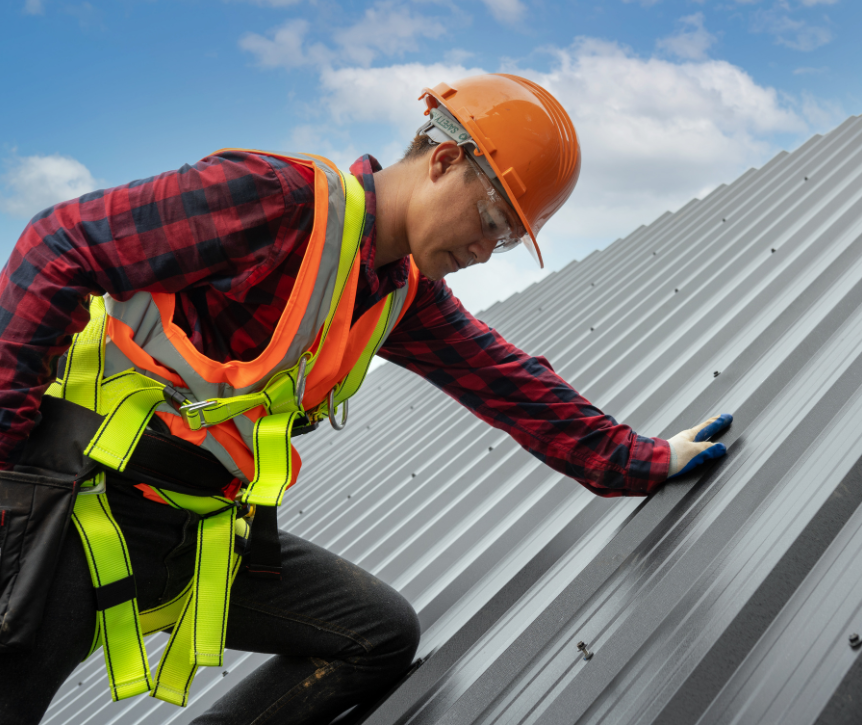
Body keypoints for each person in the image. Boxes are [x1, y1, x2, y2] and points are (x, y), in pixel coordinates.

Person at [0, 74, 732, 724]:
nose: (486, 251)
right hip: (77, 503)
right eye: (492, 221)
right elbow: (55, 246)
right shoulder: (272, 199)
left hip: (194, 529)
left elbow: (510, 382)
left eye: (508, 241)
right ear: (444, 161)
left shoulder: (400, 294)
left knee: (376, 636)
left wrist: (644, 460)